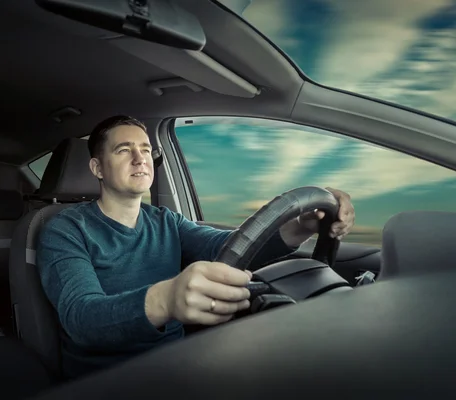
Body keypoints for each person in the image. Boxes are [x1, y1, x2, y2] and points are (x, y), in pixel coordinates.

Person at [36, 115, 355, 380]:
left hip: (180, 364)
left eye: (146, 150)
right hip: (107, 381)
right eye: (123, 150)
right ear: (97, 169)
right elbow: (82, 317)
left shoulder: (166, 221)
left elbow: (229, 248)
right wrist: (166, 300)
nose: (140, 159)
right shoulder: (65, 229)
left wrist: (300, 225)